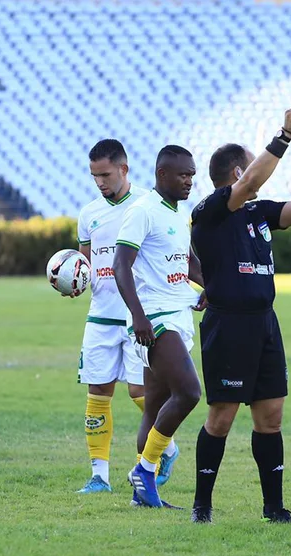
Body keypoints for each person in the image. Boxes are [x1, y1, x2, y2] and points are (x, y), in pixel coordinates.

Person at [189, 106, 291, 524]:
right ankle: (202, 505)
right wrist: (283, 135)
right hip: (228, 325)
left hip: (265, 322)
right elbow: (250, 183)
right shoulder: (209, 212)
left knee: (271, 416)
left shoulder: (257, 213)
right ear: (238, 171)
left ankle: (273, 507)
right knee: (222, 417)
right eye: (250, 168)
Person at [73, 139, 179, 494]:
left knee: (141, 391)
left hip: (140, 316)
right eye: (94, 176)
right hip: (100, 316)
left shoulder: (147, 206)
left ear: (124, 169)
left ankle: (166, 445)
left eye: (105, 174)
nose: (100, 182)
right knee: (98, 391)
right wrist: (73, 281)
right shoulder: (89, 214)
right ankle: (99, 476)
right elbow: (85, 265)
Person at [113, 144, 207, 509]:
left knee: (154, 407)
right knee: (189, 393)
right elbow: (122, 265)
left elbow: (185, 260)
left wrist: (207, 285)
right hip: (154, 319)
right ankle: (146, 470)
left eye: (192, 176)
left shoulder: (177, 212)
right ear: (162, 175)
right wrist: (138, 316)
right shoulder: (142, 211)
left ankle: (144, 495)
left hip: (176, 312)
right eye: (183, 175)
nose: (189, 181)